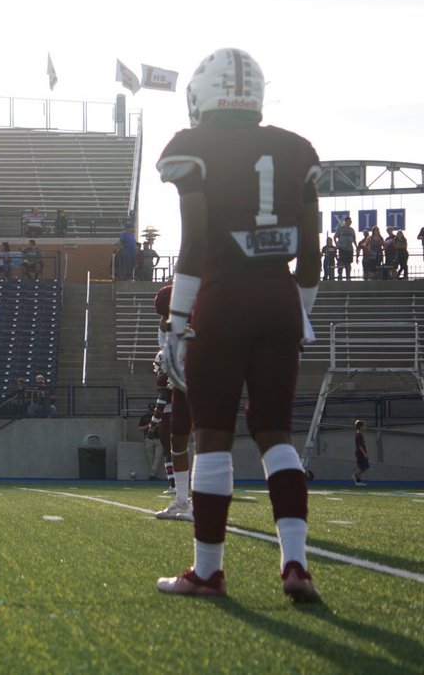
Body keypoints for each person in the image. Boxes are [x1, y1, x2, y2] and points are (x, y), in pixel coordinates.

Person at [155, 48, 321, 602]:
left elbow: (197, 243)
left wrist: (177, 322)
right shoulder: (297, 149)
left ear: (203, 94)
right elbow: (314, 256)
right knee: (277, 434)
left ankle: (208, 571)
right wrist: (299, 313)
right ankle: (295, 564)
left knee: (213, 437)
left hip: (224, 298)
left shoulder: (192, 146)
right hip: (279, 294)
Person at [153, 287, 194, 521]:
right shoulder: (166, 325)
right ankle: (181, 499)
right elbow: (168, 332)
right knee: (177, 437)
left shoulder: (194, 314)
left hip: (203, 378)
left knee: (206, 437)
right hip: (181, 383)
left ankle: (204, 501)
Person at [334, 216, 356, 281]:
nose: (350, 222)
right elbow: (335, 237)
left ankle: (348, 276)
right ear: (345, 221)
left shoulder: (352, 230)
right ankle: (340, 276)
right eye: (349, 221)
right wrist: (337, 245)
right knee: (341, 262)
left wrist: (356, 247)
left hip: (350, 249)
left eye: (350, 221)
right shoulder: (340, 229)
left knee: (348, 263)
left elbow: (354, 239)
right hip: (342, 248)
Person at [353, 420, 370, 485]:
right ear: (360, 427)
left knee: (362, 467)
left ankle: (358, 480)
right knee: (363, 467)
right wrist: (364, 454)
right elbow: (359, 446)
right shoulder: (359, 435)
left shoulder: (361, 435)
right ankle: (355, 475)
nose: (365, 427)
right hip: (360, 454)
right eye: (363, 426)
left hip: (361, 453)